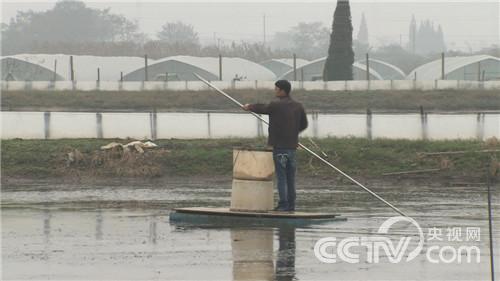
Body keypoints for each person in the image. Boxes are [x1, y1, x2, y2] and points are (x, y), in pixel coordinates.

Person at [243, 80, 308, 212]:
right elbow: (304, 125)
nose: (275, 91)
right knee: (291, 178)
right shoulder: (298, 106)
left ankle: (283, 205)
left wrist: (249, 106)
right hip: (292, 148)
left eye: (276, 89)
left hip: (279, 148)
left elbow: (263, 108)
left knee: (282, 177)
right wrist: (293, 133)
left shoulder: (276, 105)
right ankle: (291, 205)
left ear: (282, 90)